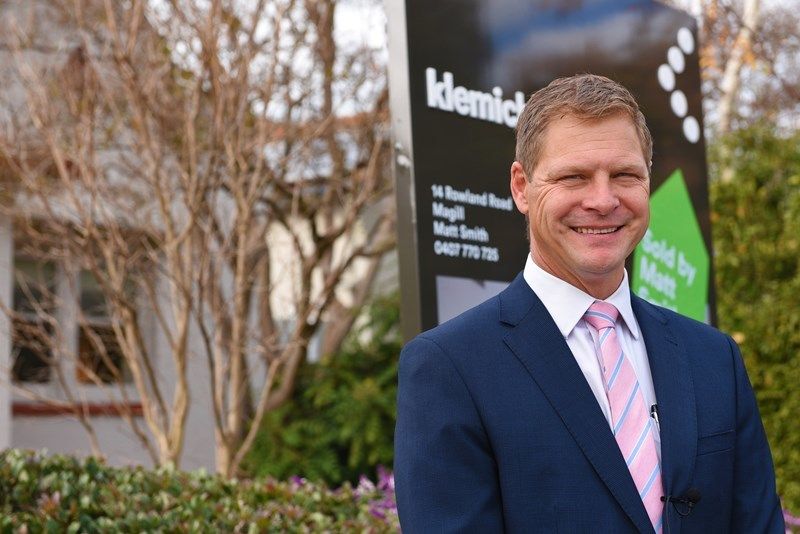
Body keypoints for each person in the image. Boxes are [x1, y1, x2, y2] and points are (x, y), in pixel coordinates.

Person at [393, 74, 783, 533]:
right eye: (574, 176)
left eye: (624, 175)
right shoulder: (449, 367)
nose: (603, 200)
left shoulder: (714, 357)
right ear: (521, 187)